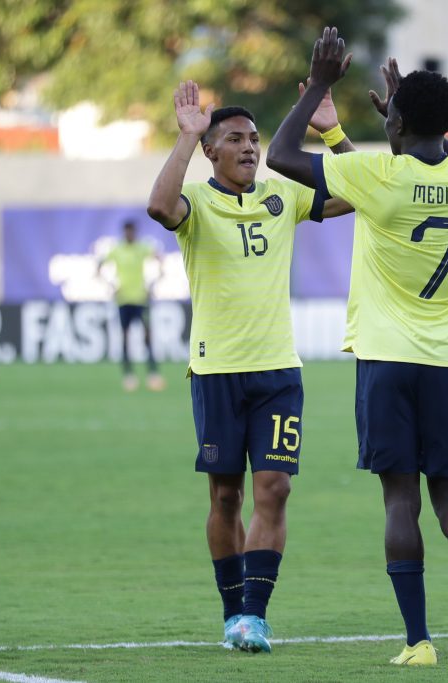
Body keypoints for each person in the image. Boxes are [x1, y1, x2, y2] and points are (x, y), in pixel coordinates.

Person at [266, 30, 448, 666]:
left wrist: (318, 83)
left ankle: (418, 641)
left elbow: (280, 156)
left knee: (400, 498)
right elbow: (426, 152)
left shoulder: (377, 176)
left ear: (393, 120)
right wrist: (403, 115)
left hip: (387, 359)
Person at [146, 79, 353, 654]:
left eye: (255, 139)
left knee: (276, 488)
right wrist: (186, 136)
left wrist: (331, 131)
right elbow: (159, 207)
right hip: (216, 373)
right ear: (211, 150)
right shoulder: (197, 204)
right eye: (235, 139)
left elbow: (363, 191)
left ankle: (254, 617)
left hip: (277, 373)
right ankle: (230, 610)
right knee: (225, 499)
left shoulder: (282, 198)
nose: (250, 148)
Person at [98, 219, 165, 392]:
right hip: (124, 299)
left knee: (147, 337)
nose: (129, 235)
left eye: (132, 232)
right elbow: (98, 266)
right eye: (127, 232)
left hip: (141, 299)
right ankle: (129, 375)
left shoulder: (142, 247)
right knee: (125, 337)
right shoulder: (117, 249)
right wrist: (111, 286)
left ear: (135, 232)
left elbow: (159, 259)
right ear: (124, 232)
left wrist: (153, 283)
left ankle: (153, 374)